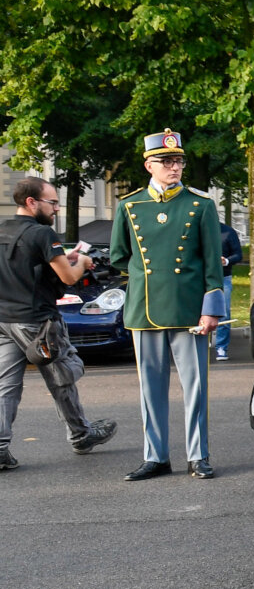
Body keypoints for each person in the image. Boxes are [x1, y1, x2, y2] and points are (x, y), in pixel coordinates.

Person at [110, 129, 226, 479]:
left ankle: (198, 456)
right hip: (144, 309)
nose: (174, 167)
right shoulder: (129, 205)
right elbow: (119, 256)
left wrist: (211, 309)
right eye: (166, 161)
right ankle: (156, 457)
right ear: (149, 165)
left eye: (178, 161)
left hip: (190, 308)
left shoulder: (200, 204)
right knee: (150, 390)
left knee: (196, 387)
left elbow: (212, 262)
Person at [0, 176, 117, 471]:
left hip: (4, 320)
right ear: (32, 202)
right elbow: (68, 278)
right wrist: (83, 263)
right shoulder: (42, 233)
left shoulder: (2, 229)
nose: (55, 208)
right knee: (63, 377)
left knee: (6, 386)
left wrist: (63, 258)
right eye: (51, 202)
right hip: (37, 323)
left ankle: (0, 447)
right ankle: (81, 435)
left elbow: (22, 264)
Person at [214, 217, 242, 361]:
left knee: (223, 313)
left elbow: (238, 255)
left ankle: (221, 347)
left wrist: (226, 261)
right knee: (195, 312)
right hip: (199, 278)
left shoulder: (227, 232)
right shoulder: (196, 230)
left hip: (223, 277)